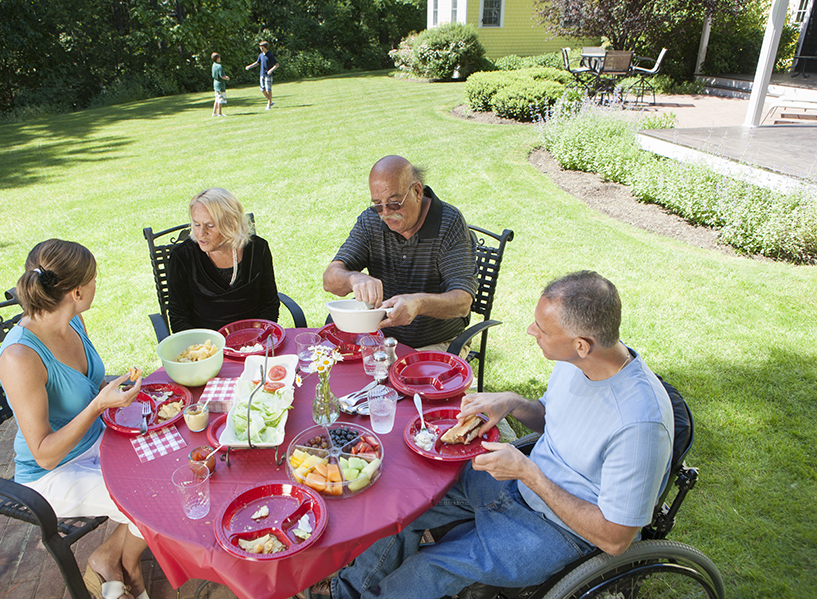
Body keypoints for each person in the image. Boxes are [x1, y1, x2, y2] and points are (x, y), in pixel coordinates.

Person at [321, 271, 674, 599]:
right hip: (519, 485)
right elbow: (553, 418)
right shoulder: (582, 362)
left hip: (560, 532)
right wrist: (512, 403)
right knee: (406, 505)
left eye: (542, 329)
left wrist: (528, 472)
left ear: (581, 344)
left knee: (431, 566)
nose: (530, 331)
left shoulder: (639, 424)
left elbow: (615, 539)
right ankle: (346, 592)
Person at [0, 239, 150, 599]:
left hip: (96, 441)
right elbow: (44, 453)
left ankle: (108, 558)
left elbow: (86, 383)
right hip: (52, 474)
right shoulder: (19, 357)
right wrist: (99, 405)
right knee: (152, 498)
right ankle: (128, 565)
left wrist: (117, 388)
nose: (98, 285)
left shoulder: (74, 319)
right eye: (95, 279)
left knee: (168, 465)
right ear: (78, 290)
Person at [323, 155, 478, 351]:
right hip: (378, 338)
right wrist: (353, 278)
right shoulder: (371, 221)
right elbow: (329, 279)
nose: (386, 213)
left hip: (433, 343)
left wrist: (419, 304)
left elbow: (463, 301)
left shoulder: (448, 223)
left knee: (402, 380)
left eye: (394, 203)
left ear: (417, 191)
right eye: (378, 204)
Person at [167, 187, 280, 332]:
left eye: (210, 225)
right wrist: (203, 349)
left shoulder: (257, 248)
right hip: (207, 347)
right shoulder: (183, 256)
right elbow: (178, 317)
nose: (201, 233)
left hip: (254, 341)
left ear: (230, 223)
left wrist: (259, 336)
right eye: (196, 224)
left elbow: (269, 303)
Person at [244, 41, 279, 109]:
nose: (261, 49)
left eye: (262, 48)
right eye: (260, 48)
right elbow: (257, 63)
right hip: (262, 75)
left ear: (266, 47)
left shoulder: (270, 55)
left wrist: (270, 70)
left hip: (268, 75)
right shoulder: (261, 55)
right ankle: (270, 101)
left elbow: (276, 65)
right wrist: (249, 66)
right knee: (262, 89)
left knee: (269, 90)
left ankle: (269, 104)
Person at [210, 52, 230, 117]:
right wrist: (227, 78)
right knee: (220, 98)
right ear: (217, 58)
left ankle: (214, 112)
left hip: (215, 83)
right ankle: (220, 113)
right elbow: (222, 76)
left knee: (216, 98)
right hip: (220, 84)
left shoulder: (213, 65)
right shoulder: (219, 66)